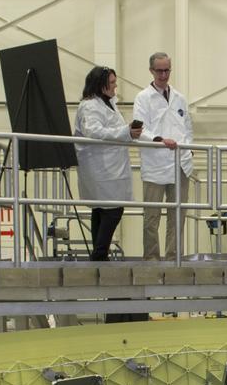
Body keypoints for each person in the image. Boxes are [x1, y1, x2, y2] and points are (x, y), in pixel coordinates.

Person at [74, 66, 141, 261]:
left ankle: (99, 255)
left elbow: (115, 130)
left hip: (110, 167)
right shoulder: (90, 106)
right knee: (112, 211)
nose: (115, 86)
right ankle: (99, 255)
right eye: (112, 83)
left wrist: (129, 132)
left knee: (102, 210)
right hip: (101, 167)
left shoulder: (108, 103)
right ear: (100, 85)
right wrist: (125, 132)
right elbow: (93, 131)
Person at [133, 52, 193, 260]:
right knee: (152, 217)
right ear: (151, 71)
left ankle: (174, 258)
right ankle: (151, 258)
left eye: (167, 70)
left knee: (178, 215)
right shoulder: (143, 98)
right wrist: (159, 140)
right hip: (155, 164)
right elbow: (139, 129)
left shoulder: (179, 98)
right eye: (159, 71)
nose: (164, 75)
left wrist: (189, 149)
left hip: (180, 163)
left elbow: (187, 127)